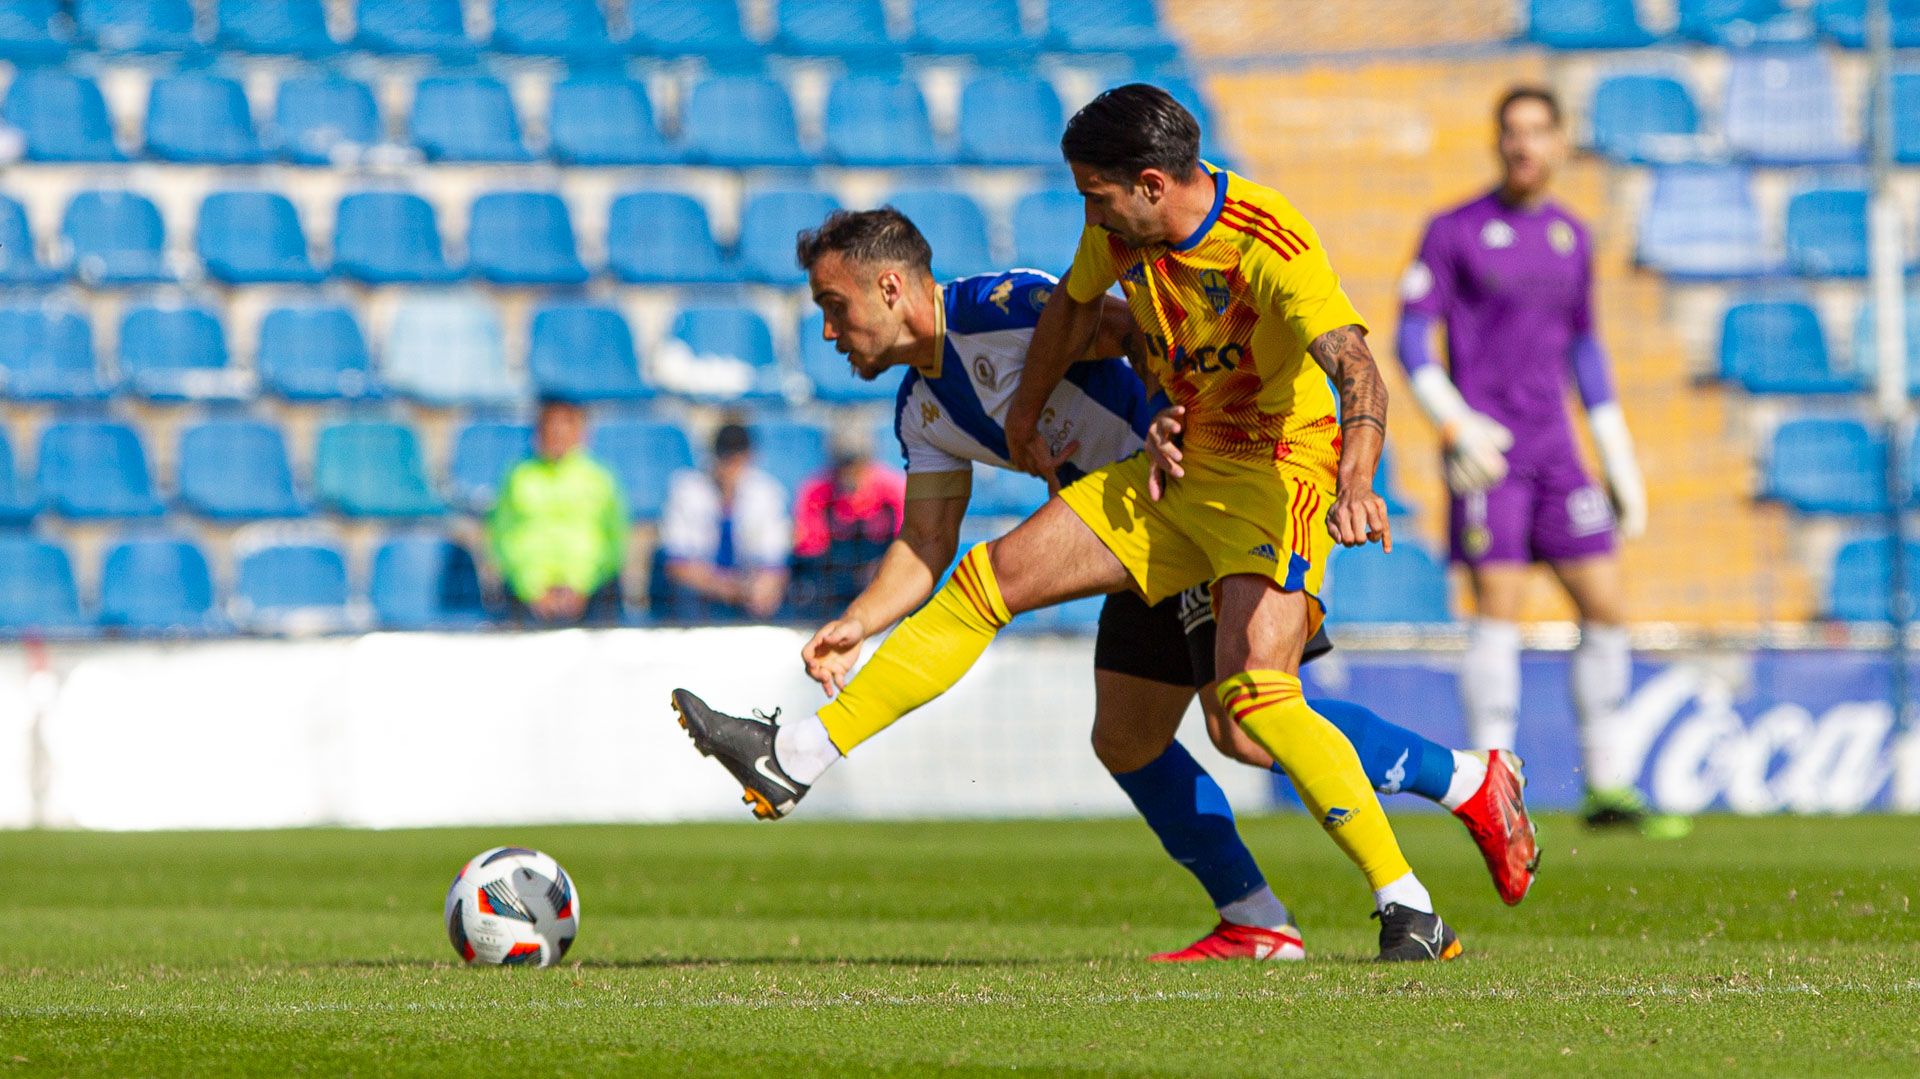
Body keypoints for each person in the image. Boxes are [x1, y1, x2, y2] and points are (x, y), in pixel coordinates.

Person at [674, 86, 1469, 962]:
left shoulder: (1038, 297)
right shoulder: (933, 401)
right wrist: (860, 620)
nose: (828, 332)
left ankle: (1434, 841)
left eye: (833, 307)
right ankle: (794, 756)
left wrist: (1315, 460)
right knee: (1050, 650)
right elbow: (931, 536)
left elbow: (1307, 355)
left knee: (1249, 714)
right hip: (1152, 503)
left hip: (1252, 479)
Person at [1395, 86, 1687, 838]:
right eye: (1513, 132)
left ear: (1560, 144)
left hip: (1558, 453)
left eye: (1538, 132)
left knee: (1607, 606)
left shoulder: (1571, 236)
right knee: (1500, 612)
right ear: (1497, 142)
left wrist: (1615, 447)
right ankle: (1491, 787)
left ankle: (1611, 788)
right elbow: (1410, 338)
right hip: (1490, 456)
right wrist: (1455, 424)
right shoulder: (1454, 230)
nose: (1525, 146)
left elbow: (1584, 345)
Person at [487, 397, 626, 626]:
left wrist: (583, 584)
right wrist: (531, 585)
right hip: (527, 593)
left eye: (566, 426)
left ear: (580, 432)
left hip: (590, 591)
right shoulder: (518, 476)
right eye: (551, 427)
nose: (558, 434)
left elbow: (614, 543)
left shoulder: (601, 478)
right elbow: (500, 539)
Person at [656, 423, 792, 622]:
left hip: (747, 595)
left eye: (737, 461)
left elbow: (774, 566)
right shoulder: (686, 489)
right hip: (700, 596)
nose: (731, 469)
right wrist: (727, 589)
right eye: (726, 460)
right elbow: (678, 566)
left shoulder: (768, 493)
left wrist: (762, 590)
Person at [789, 426, 906, 618]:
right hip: (836, 585)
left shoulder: (894, 490)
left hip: (885, 583)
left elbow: (911, 547)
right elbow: (810, 553)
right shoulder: (816, 492)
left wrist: (883, 569)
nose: (850, 471)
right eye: (844, 463)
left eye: (857, 462)